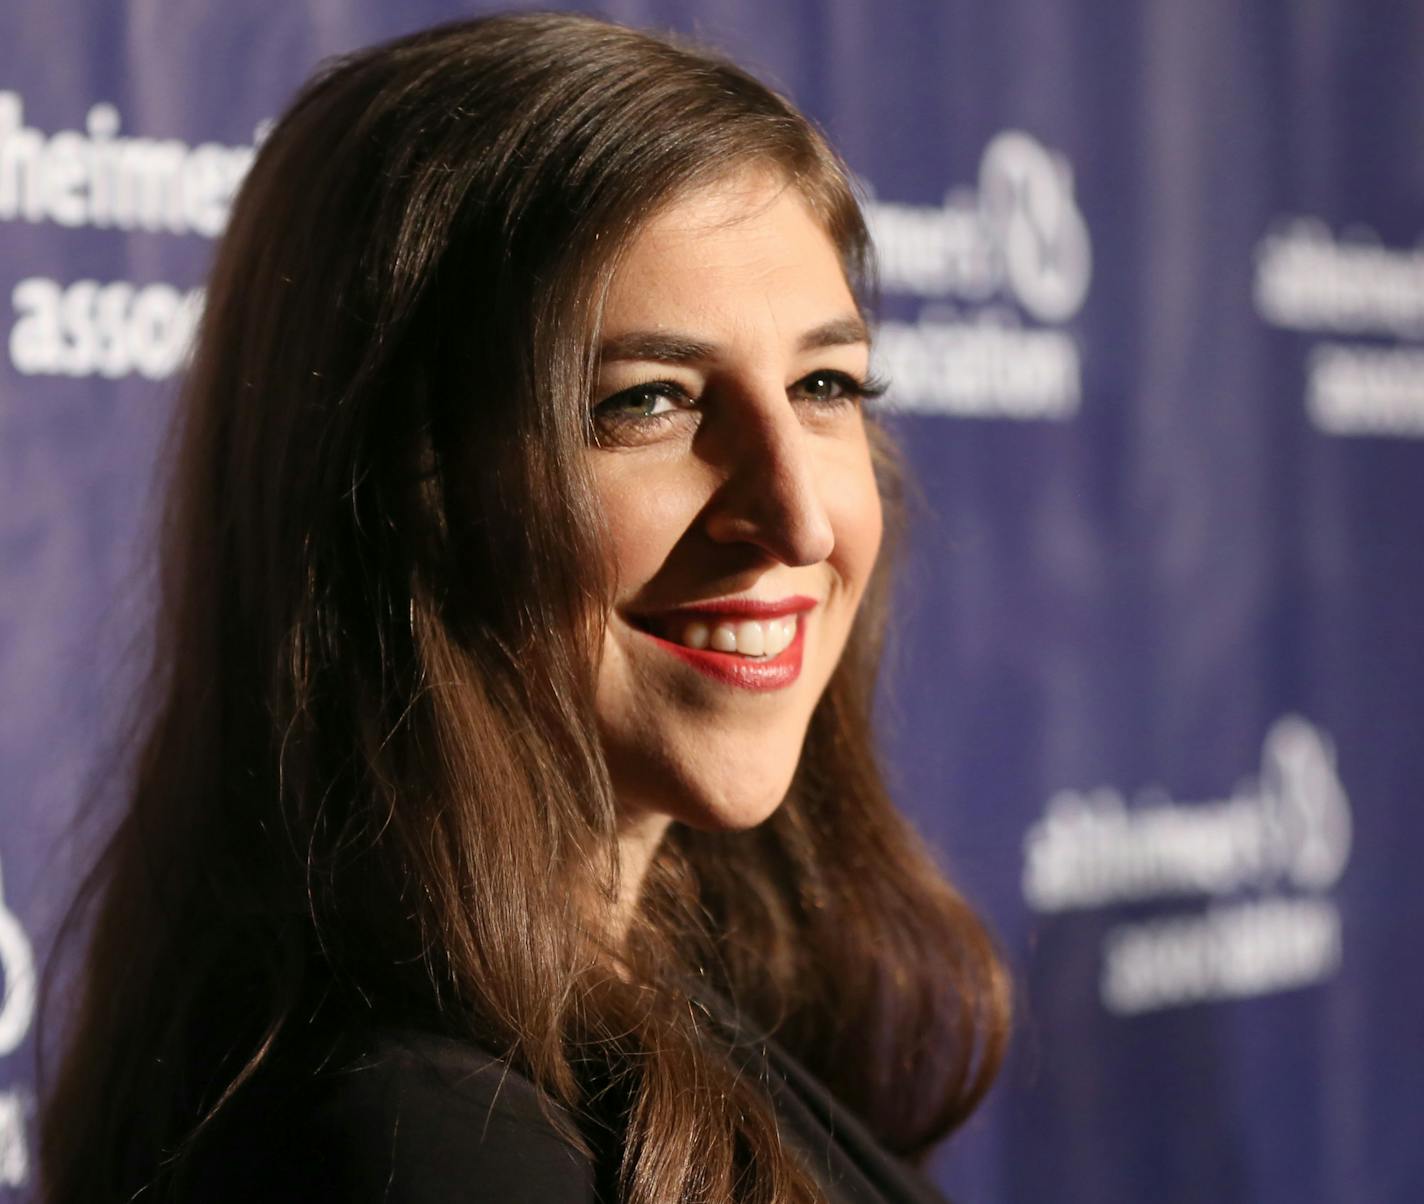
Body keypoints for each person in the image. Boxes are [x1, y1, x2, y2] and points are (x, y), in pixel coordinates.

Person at [38, 12, 1009, 1203]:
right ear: (389, 487)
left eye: (824, 384)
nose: (797, 517)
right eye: (646, 402)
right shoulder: (419, 1148)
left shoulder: (659, 995)